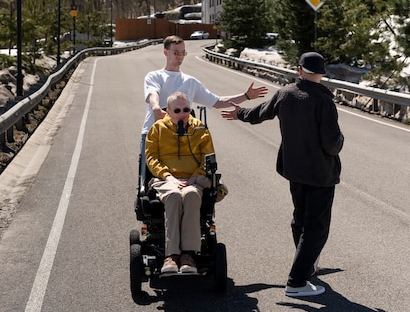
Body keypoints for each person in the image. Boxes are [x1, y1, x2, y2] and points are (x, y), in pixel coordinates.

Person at [221, 51, 344, 298]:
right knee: (316, 226)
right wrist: (340, 142)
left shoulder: (285, 93)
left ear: (300, 70)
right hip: (320, 173)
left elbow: (261, 112)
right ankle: (297, 281)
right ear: (321, 74)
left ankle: (306, 266)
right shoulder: (324, 101)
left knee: (300, 218)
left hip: (294, 170)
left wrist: (240, 113)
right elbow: (332, 144)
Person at [140, 35, 268, 177]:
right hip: (154, 133)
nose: (180, 56)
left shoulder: (190, 82)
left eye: (183, 52)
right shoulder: (154, 76)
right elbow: (153, 94)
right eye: (176, 52)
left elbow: (217, 101)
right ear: (165, 52)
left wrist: (246, 96)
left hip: (185, 136)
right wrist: (157, 108)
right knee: (149, 181)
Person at [145, 91, 215, 275]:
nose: (183, 113)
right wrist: (168, 177)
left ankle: (188, 255)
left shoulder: (199, 129)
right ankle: (172, 255)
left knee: (190, 194)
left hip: (193, 180)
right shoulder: (157, 129)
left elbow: (207, 160)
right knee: (175, 195)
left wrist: (193, 177)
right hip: (165, 179)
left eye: (186, 109)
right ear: (168, 111)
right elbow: (151, 158)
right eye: (177, 110)